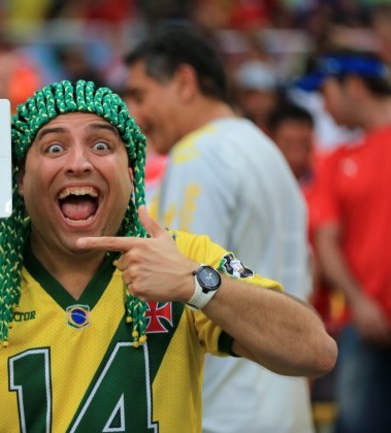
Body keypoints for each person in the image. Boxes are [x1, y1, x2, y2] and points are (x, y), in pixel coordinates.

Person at [0, 79, 336, 432]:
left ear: (130, 171)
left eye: (102, 145)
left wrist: (196, 285)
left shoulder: (182, 258)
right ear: (20, 179)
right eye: (53, 149)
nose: (78, 162)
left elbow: (315, 352)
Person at [122, 25, 316, 433]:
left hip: (226, 407)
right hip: (283, 396)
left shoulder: (198, 155)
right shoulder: (263, 148)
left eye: (140, 95)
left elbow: (176, 285)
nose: (135, 114)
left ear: (183, 81)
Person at [297, 49, 391, 433]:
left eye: (326, 91)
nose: (323, 105)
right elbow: (327, 241)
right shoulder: (335, 160)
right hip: (361, 321)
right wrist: (360, 301)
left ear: (353, 86)